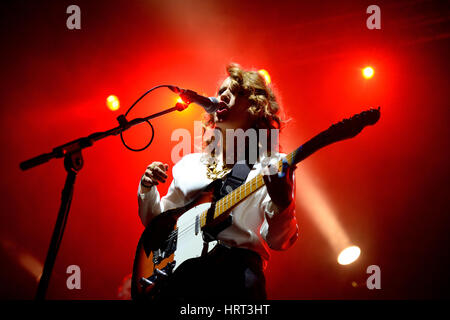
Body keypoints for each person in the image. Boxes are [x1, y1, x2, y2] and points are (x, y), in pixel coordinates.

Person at [137, 63, 298, 300]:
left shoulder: (273, 165)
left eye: (236, 91)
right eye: (222, 91)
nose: (223, 95)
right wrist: (148, 188)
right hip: (179, 281)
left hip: (235, 278)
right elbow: (156, 226)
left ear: (256, 107)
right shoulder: (189, 164)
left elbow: (278, 241)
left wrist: (283, 204)